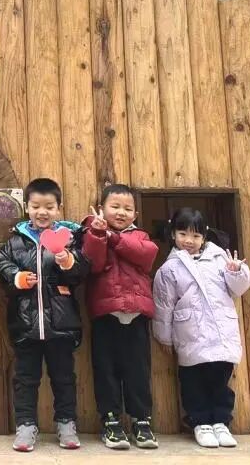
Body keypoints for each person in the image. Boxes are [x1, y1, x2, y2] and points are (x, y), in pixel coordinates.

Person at [0, 178, 90, 452]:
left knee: (64, 378)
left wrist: (68, 261)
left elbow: (83, 270)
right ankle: (25, 426)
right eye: (36, 206)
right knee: (25, 379)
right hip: (25, 324)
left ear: (59, 207)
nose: (42, 212)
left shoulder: (70, 238)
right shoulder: (16, 240)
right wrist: (17, 277)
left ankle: (66, 424)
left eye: (49, 206)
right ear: (27, 207)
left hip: (61, 323)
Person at [153, 208, 250, 448]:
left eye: (195, 236)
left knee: (220, 380)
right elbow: (163, 306)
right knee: (193, 381)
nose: (189, 240)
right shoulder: (169, 268)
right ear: (173, 234)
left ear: (204, 236)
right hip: (190, 334)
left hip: (220, 334)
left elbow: (239, 289)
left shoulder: (220, 258)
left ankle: (221, 422)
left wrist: (236, 271)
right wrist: (164, 338)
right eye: (183, 234)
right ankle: (200, 422)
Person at [82, 184, 159, 449]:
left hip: (136, 315)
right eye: (115, 206)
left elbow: (146, 255)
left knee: (138, 370)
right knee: (106, 370)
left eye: (127, 209)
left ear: (135, 214)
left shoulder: (141, 236)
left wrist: (114, 239)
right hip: (106, 314)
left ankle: (142, 421)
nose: (121, 213)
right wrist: (97, 234)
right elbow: (93, 263)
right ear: (101, 208)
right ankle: (111, 421)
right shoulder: (92, 234)